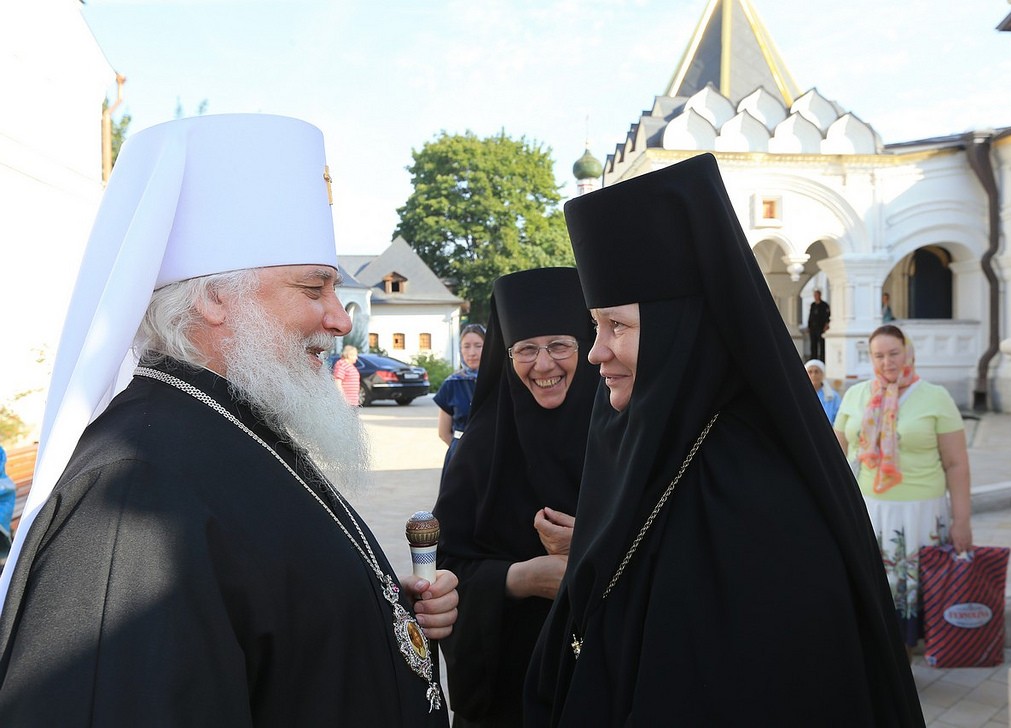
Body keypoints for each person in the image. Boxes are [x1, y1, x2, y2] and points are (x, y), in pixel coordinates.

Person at [0, 115, 458, 726]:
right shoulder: (131, 492)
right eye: (314, 289)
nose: (341, 319)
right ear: (215, 297)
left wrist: (373, 606)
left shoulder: (237, 422)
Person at [524, 154, 924, 726]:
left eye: (618, 326)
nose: (596, 352)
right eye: (595, 326)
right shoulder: (632, 432)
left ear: (681, 331)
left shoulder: (757, 490)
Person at [433, 267, 599, 727]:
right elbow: (441, 569)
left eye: (560, 345)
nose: (543, 365)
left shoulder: (626, 437)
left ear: (587, 346)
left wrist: (589, 546)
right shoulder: (480, 447)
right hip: (508, 695)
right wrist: (519, 578)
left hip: (608, 683)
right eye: (526, 349)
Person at [834, 324, 972, 651]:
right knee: (872, 583)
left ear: (908, 352)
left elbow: (956, 464)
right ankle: (878, 649)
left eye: (894, 353)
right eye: (878, 355)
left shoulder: (935, 397)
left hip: (920, 512)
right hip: (868, 510)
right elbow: (835, 454)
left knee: (913, 584)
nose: (887, 362)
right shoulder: (856, 395)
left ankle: (908, 652)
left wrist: (962, 520)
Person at [434, 323, 485, 473]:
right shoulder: (452, 384)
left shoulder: (500, 382)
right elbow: (443, 432)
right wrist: (462, 451)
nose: (472, 353)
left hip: (493, 455)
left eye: (478, 346)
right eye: (466, 346)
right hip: (460, 458)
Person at [805, 358, 842, 425]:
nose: (813, 375)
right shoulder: (799, 395)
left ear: (822, 374)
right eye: (810, 372)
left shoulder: (833, 396)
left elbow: (839, 419)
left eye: (816, 372)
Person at [808, 287, 830, 362]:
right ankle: (813, 360)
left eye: (817, 295)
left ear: (820, 295)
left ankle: (822, 360)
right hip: (813, 328)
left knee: (822, 345)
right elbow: (810, 316)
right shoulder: (813, 305)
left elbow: (828, 316)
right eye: (814, 295)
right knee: (813, 345)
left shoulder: (824, 305)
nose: (815, 296)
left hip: (821, 328)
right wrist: (809, 326)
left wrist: (826, 325)